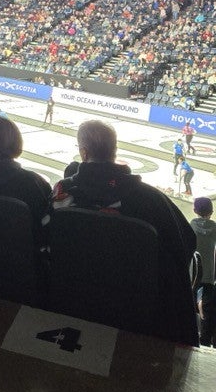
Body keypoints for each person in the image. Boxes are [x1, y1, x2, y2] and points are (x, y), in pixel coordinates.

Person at [50, 120, 198, 346]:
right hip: (136, 312)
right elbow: (184, 245)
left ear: (83, 152)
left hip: (72, 299)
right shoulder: (151, 200)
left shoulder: (61, 192)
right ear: (114, 151)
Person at [191, 197, 216, 346]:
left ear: (194, 211)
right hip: (208, 277)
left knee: (189, 306)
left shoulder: (190, 225)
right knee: (206, 309)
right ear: (211, 212)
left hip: (192, 275)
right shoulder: (215, 227)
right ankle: (205, 340)